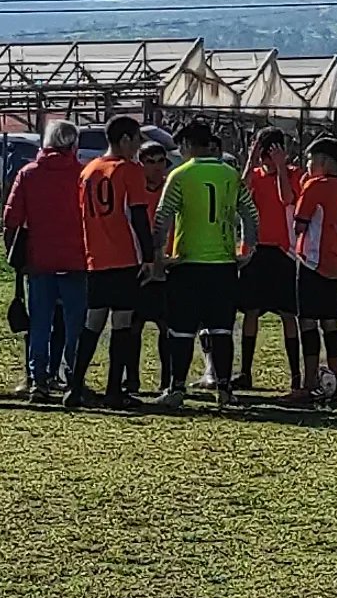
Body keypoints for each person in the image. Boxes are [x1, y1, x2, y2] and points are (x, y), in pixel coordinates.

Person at [152, 120, 258, 410]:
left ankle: (176, 388)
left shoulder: (180, 175)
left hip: (187, 263)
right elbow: (250, 213)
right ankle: (224, 389)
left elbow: (163, 216)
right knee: (221, 330)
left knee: (181, 331)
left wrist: (159, 255)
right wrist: (248, 249)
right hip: (223, 265)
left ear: (187, 145)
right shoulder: (230, 174)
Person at [66, 116, 153, 411]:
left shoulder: (88, 170)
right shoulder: (129, 170)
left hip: (96, 257)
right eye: (136, 139)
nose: (138, 146)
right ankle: (114, 390)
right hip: (124, 256)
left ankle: (75, 386)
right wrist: (149, 256)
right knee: (121, 323)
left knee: (93, 323)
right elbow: (138, 215)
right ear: (125, 139)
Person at [3, 120, 87, 404]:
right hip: (77, 259)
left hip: (39, 261)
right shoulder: (83, 174)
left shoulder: (29, 174)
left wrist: (15, 256)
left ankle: (37, 379)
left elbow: (11, 220)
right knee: (76, 325)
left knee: (40, 323)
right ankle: (73, 378)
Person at [233, 127, 303, 395]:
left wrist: (281, 168)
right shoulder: (255, 175)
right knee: (251, 311)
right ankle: (245, 372)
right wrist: (251, 161)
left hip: (283, 252)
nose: (267, 161)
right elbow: (239, 194)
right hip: (256, 250)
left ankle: (295, 375)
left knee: (288, 313)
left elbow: (288, 199)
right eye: (264, 155)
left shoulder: (294, 174)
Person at [293, 137, 337, 400]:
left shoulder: (315, 186)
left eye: (310, 160)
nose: (307, 165)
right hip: (336, 262)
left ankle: (309, 383)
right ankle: (334, 380)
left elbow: (299, 224)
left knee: (307, 321)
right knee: (330, 322)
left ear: (323, 161)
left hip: (313, 261)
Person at [128, 140, 169, 397]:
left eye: (160, 161)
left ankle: (167, 382)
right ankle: (131, 380)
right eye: (149, 162)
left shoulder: (172, 189)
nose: (155, 167)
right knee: (133, 326)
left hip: (165, 268)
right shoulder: (133, 191)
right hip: (138, 266)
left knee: (167, 327)